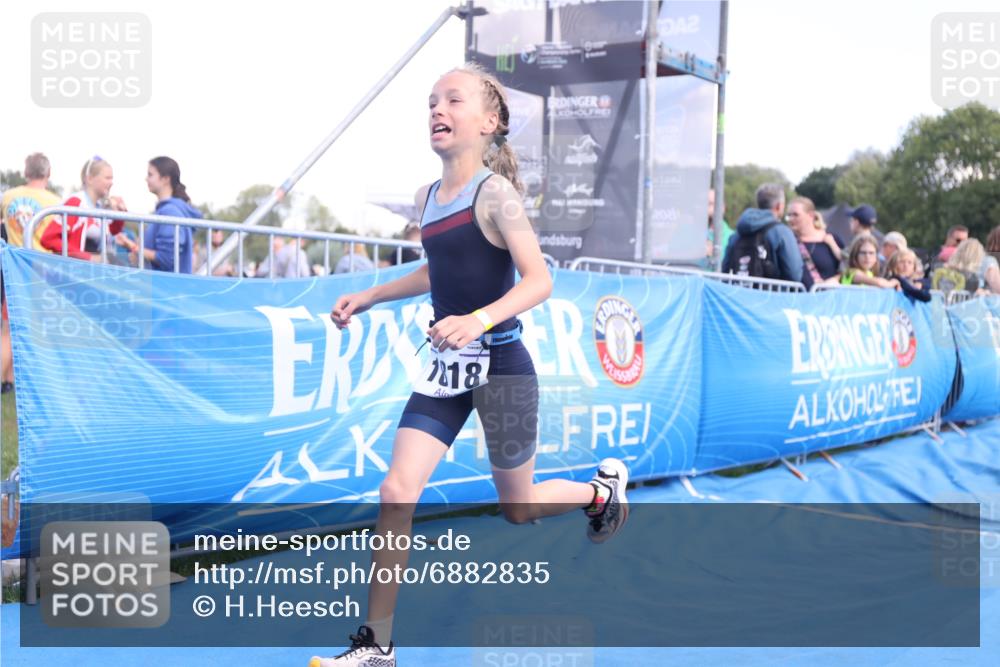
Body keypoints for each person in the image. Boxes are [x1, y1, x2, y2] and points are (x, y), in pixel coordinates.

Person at [314, 63, 629, 667]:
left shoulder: (498, 195)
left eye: (453, 100)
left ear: (489, 123)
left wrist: (479, 320)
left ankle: (599, 491)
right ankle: (377, 646)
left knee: (519, 507)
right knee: (397, 489)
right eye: (431, 101)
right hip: (447, 369)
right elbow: (440, 269)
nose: (438, 109)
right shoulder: (428, 197)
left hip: (503, 364)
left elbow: (540, 280)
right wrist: (371, 294)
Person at [39, 157, 128, 261]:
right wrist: (87, 257)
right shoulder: (76, 202)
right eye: (107, 178)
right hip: (73, 272)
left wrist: (119, 214)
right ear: (89, 179)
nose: (111, 182)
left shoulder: (99, 207)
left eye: (112, 179)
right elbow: (49, 238)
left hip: (90, 273)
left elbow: (113, 231)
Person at [129, 156, 200, 273]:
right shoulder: (166, 211)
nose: (146, 179)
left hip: (166, 287)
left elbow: (166, 259)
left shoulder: (170, 212)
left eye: (150, 175)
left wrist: (132, 246)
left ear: (166, 179)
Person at [722, 183, 803, 283]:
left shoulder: (737, 234)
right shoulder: (782, 232)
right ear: (779, 206)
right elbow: (794, 274)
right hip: (771, 297)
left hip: (739, 296)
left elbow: (725, 270)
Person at [1, 152, 60, 251]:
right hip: (43, 263)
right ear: (49, 172)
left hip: (13, 262)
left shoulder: (7, 196)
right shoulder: (57, 203)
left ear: (26, 172)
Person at [786, 196, 843, 289]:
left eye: (795, 215)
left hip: (829, 298)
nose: (791, 219)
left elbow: (850, 268)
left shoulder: (831, 239)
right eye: (789, 215)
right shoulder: (787, 240)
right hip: (797, 299)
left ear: (811, 215)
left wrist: (837, 279)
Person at [704, 186, 732, 268]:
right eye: (704, 204)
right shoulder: (688, 232)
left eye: (711, 204)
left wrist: (715, 255)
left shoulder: (732, 237)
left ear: (723, 207)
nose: (707, 209)